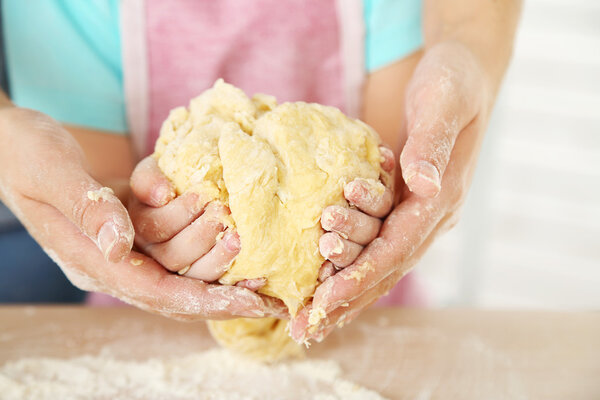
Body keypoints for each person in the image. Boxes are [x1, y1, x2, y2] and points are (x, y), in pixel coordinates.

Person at [0, 1, 521, 340]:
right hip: (143, 329)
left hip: (370, 315)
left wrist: (467, 53)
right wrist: (143, 225)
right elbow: (107, 195)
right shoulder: (66, 10)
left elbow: (389, 171)